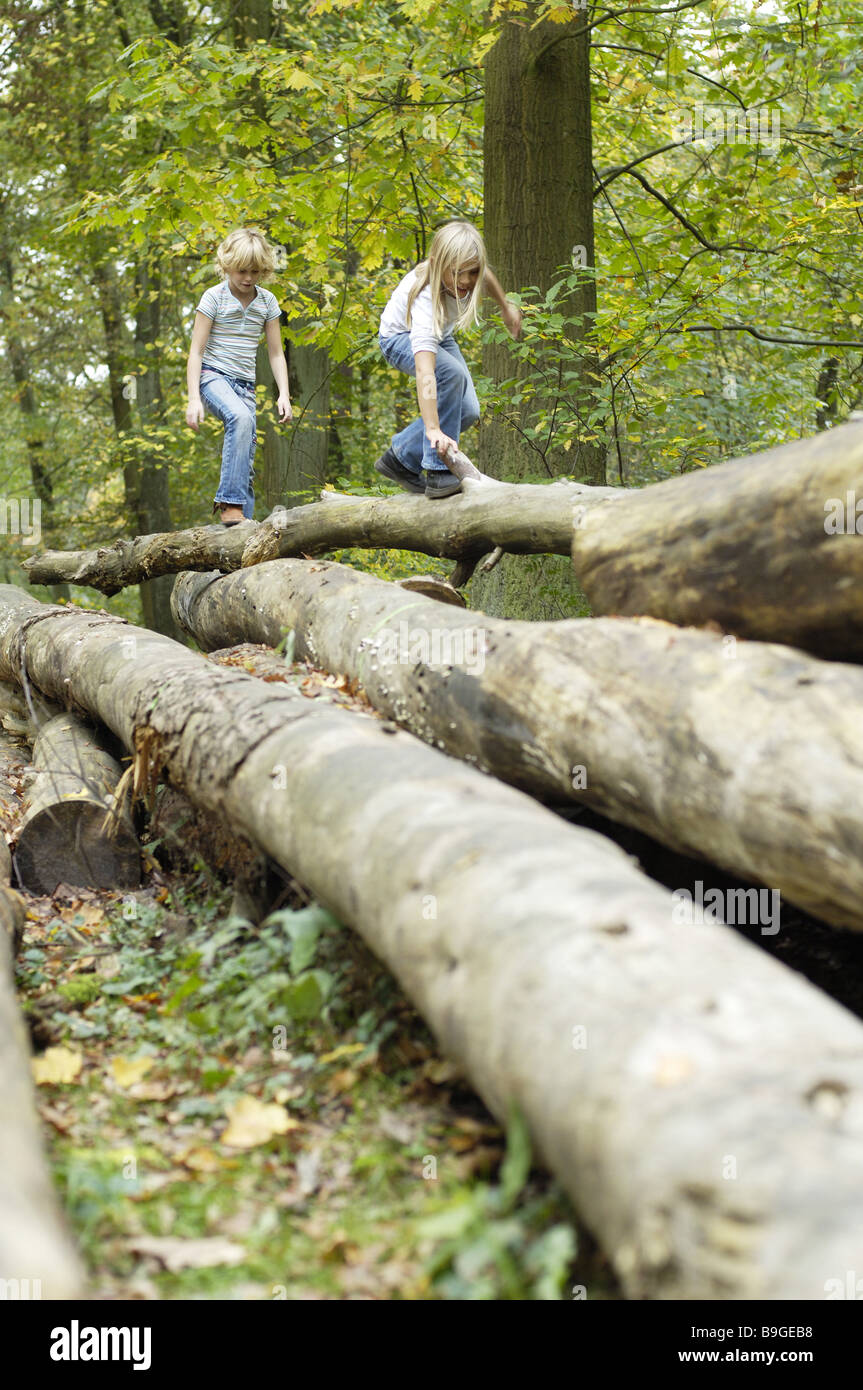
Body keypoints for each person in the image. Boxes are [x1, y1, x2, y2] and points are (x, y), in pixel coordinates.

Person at [376, 221, 522, 499]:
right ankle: (437, 471)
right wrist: (432, 428)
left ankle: (400, 457)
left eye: (472, 271)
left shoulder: (472, 275)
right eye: (457, 274)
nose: (466, 281)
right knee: (451, 373)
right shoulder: (425, 301)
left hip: (441, 336)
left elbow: (487, 277)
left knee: (468, 411)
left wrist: (505, 307)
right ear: (436, 264)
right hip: (398, 338)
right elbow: (426, 371)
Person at [185, 228, 292, 526]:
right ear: (228, 266)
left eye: (255, 271)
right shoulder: (214, 298)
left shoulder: (267, 302)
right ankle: (230, 505)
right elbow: (196, 351)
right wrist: (194, 398)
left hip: (245, 387)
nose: (248, 277)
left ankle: (241, 529)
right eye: (242, 271)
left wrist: (283, 393)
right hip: (213, 376)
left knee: (246, 456)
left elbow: (275, 353)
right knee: (240, 420)